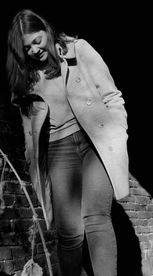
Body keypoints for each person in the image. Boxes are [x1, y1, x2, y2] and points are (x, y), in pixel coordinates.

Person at [6, 9, 130, 276]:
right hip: (58, 151)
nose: (34, 50)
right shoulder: (25, 82)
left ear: (46, 30)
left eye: (37, 41)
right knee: (70, 232)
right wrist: (34, 166)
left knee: (97, 220)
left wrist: (117, 134)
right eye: (27, 48)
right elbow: (30, 135)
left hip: (93, 143)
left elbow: (112, 96)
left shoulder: (78, 51)